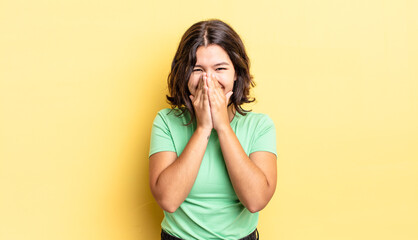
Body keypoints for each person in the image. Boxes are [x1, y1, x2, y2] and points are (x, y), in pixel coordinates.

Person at [149, 19, 277, 240]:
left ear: (236, 73)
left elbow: (256, 201)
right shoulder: (165, 122)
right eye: (198, 69)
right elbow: (168, 200)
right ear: (184, 74)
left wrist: (223, 127)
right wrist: (203, 128)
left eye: (220, 69)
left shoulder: (260, 126)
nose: (208, 80)